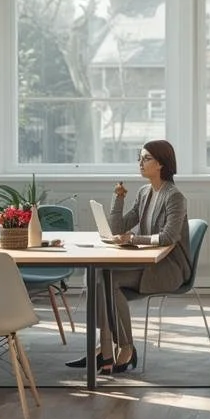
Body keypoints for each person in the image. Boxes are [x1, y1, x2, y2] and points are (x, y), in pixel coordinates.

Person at [68, 139, 192, 374]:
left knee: (108, 280)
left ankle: (124, 347)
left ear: (161, 164)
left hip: (169, 268)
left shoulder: (174, 196)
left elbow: (168, 237)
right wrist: (119, 198)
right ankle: (105, 347)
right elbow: (118, 227)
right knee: (97, 276)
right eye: (140, 158)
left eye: (146, 159)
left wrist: (133, 240)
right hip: (147, 263)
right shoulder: (145, 193)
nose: (140, 163)